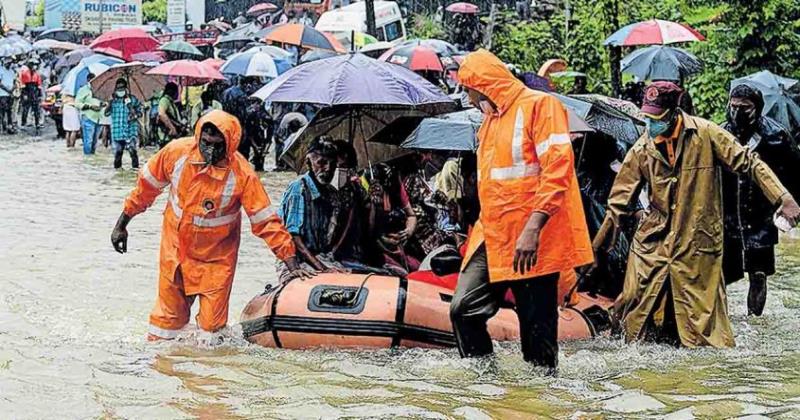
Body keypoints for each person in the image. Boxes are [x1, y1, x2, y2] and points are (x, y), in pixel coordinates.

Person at [593, 81, 800, 348]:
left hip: (697, 240)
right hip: (653, 241)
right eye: (648, 117)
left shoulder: (707, 134)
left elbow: (749, 163)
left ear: (675, 112)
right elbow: (618, 203)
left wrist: (783, 197)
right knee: (633, 307)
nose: (652, 124)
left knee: (704, 329)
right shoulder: (643, 148)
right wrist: (597, 250)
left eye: (657, 118)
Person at [110, 110, 312, 340]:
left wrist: (291, 263)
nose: (211, 151)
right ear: (198, 138)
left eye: (218, 145)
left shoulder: (242, 175)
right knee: (163, 329)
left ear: (230, 144)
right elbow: (145, 190)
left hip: (216, 262)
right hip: (175, 254)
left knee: (211, 333)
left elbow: (265, 221)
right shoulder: (176, 154)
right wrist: (122, 224)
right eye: (206, 143)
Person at [450, 50, 593, 371]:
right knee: (463, 308)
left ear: (484, 85)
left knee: (537, 338)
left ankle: (541, 397)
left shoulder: (541, 106)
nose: (469, 99)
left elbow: (558, 169)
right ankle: (485, 377)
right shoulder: (489, 124)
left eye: (469, 91)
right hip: (495, 237)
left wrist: (533, 227)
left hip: (535, 240)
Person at [721, 84, 800, 316]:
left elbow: (795, 174)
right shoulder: (721, 134)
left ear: (757, 108)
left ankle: (754, 318)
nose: (737, 113)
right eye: (733, 107)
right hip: (727, 216)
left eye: (744, 108)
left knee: (758, 274)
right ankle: (721, 321)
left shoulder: (777, 136)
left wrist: (791, 208)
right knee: (721, 274)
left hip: (761, 217)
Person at [277, 136, 347, 278]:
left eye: (332, 164)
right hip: (295, 261)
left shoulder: (332, 193)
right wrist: (321, 268)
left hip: (320, 257)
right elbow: (294, 237)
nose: (327, 168)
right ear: (309, 162)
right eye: (321, 163)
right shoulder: (298, 189)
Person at [105, 78, 142, 169]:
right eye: (118, 88)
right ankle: (118, 173)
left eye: (122, 88)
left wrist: (131, 108)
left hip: (130, 130)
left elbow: (140, 113)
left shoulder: (133, 99)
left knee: (133, 151)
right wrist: (109, 103)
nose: (120, 90)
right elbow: (106, 113)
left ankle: (135, 171)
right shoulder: (113, 100)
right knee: (118, 154)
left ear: (126, 88)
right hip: (118, 131)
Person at [74, 73, 104, 154]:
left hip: (99, 118)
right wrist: (90, 107)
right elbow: (77, 103)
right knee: (88, 141)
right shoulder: (83, 90)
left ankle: (92, 158)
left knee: (95, 142)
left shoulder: (100, 89)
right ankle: (87, 158)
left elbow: (103, 101)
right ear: (88, 80)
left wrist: (102, 104)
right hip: (88, 117)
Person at [157, 82, 184, 147]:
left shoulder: (171, 102)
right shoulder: (164, 100)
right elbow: (161, 114)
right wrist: (172, 128)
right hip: (166, 136)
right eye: (177, 91)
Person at [19, 59, 43, 129]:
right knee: (26, 109)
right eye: (33, 64)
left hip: (35, 92)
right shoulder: (24, 73)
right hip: (27, 91)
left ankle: (37, 123)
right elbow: (23, 85)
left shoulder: (37, 74)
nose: (34, 66)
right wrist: (24, 94)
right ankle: (23, 123)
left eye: (35, 65)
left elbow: (39, 85)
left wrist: (39, 95)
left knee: (36, 109)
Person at [0, 59, 15, 134]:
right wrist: (7, 90)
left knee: (9, 111)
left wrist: (12, 89)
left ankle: (10, 126)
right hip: (2, 94)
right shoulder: (1, 70)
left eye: (10, 63)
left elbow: (14, 81)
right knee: (3, 111)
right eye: (7, 63)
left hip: (10, 94)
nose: (9, 64)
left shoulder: (12, 71)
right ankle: (4, 127)